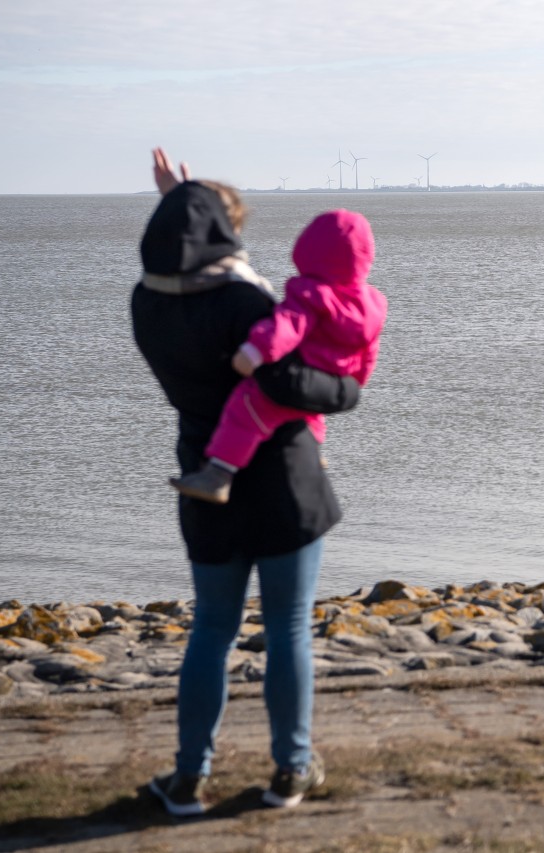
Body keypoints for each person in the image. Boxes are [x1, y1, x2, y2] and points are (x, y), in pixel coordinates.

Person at [132, 148, 359, 816]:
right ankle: (290, 770)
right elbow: (292, 382)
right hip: (284, 483)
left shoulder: (146, 302)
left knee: (211, 629)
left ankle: (187, 778)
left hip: (207, 478)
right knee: (288, 626)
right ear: (224, 234)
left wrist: (181, 196)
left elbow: (182, 250)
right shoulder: (247, 301)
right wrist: (348, 388)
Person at [169, 207, 387, 504]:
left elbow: (288, 326)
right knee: (310, 413)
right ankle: (316, 456)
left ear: (308, 248)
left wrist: (255, 350)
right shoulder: (373, 303)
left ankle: (219, 474)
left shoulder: (312, 293)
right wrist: (356, 380)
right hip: (333, 379)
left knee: (244, 409)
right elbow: (369, 349)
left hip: (298, 372)